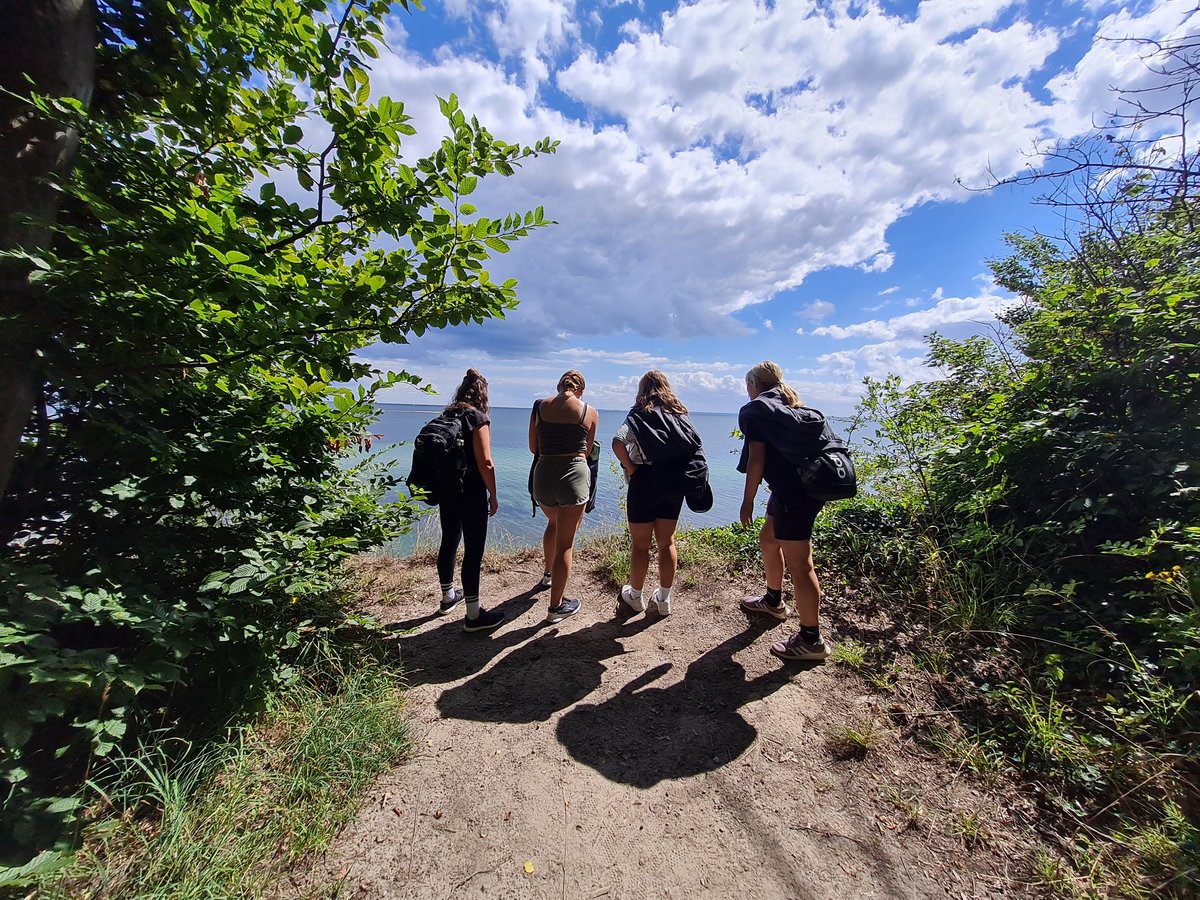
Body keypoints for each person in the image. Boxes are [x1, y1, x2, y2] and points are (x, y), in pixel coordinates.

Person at [737, 361, 831, 660]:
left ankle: (810, 640)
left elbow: (756, 460)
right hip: (801, 487)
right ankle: (773, 601)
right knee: (769, 539)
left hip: (794, 493)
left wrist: (748, 500)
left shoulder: (755, 410)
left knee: (802, 566)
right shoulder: (796, 407)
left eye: (747, 384)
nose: (747, 390)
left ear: (754, 384)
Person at [611, 370, 701, 617]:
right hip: (673, 483)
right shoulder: (680, 414)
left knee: (640, 546)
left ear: (642, 390)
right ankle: (663, 599)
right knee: (667, 542)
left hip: (644, 483)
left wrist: (631, 468)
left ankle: (636, 596)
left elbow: (617, 442)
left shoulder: (638, 415)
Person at [435, 369, 505, 633]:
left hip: (447, 490)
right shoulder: (477, 417)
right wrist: (494, 495)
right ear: (482, 394)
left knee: (449, 541)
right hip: (471, 492)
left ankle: (447, 597)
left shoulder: (447, 415)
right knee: (473, 551)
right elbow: (486, 462)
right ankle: (474, 616)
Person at [529, 370, 598, 623]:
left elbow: (533, 447)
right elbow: (587, 450)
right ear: (581, 390)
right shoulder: (589, 411)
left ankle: (548, 575)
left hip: (544, 474)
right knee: (566, 544)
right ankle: (555, 607)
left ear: (558, 386)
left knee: (553, 523)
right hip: (574, 477)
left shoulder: (539, 407)